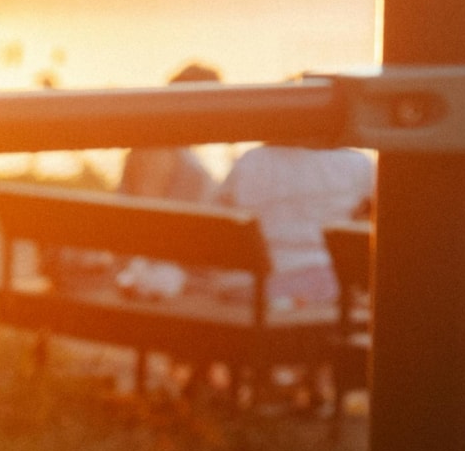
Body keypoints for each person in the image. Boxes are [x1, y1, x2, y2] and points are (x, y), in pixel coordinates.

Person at [218, 139, 374, 309]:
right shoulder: (356, 164)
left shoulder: (250, 161)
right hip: (325, 283)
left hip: (251, 285)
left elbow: (221, 216)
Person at [115, 61, 223, 206]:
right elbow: (147, 209)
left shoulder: (182, 149)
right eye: (212, 102)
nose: (216, 114)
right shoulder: (157, 146)